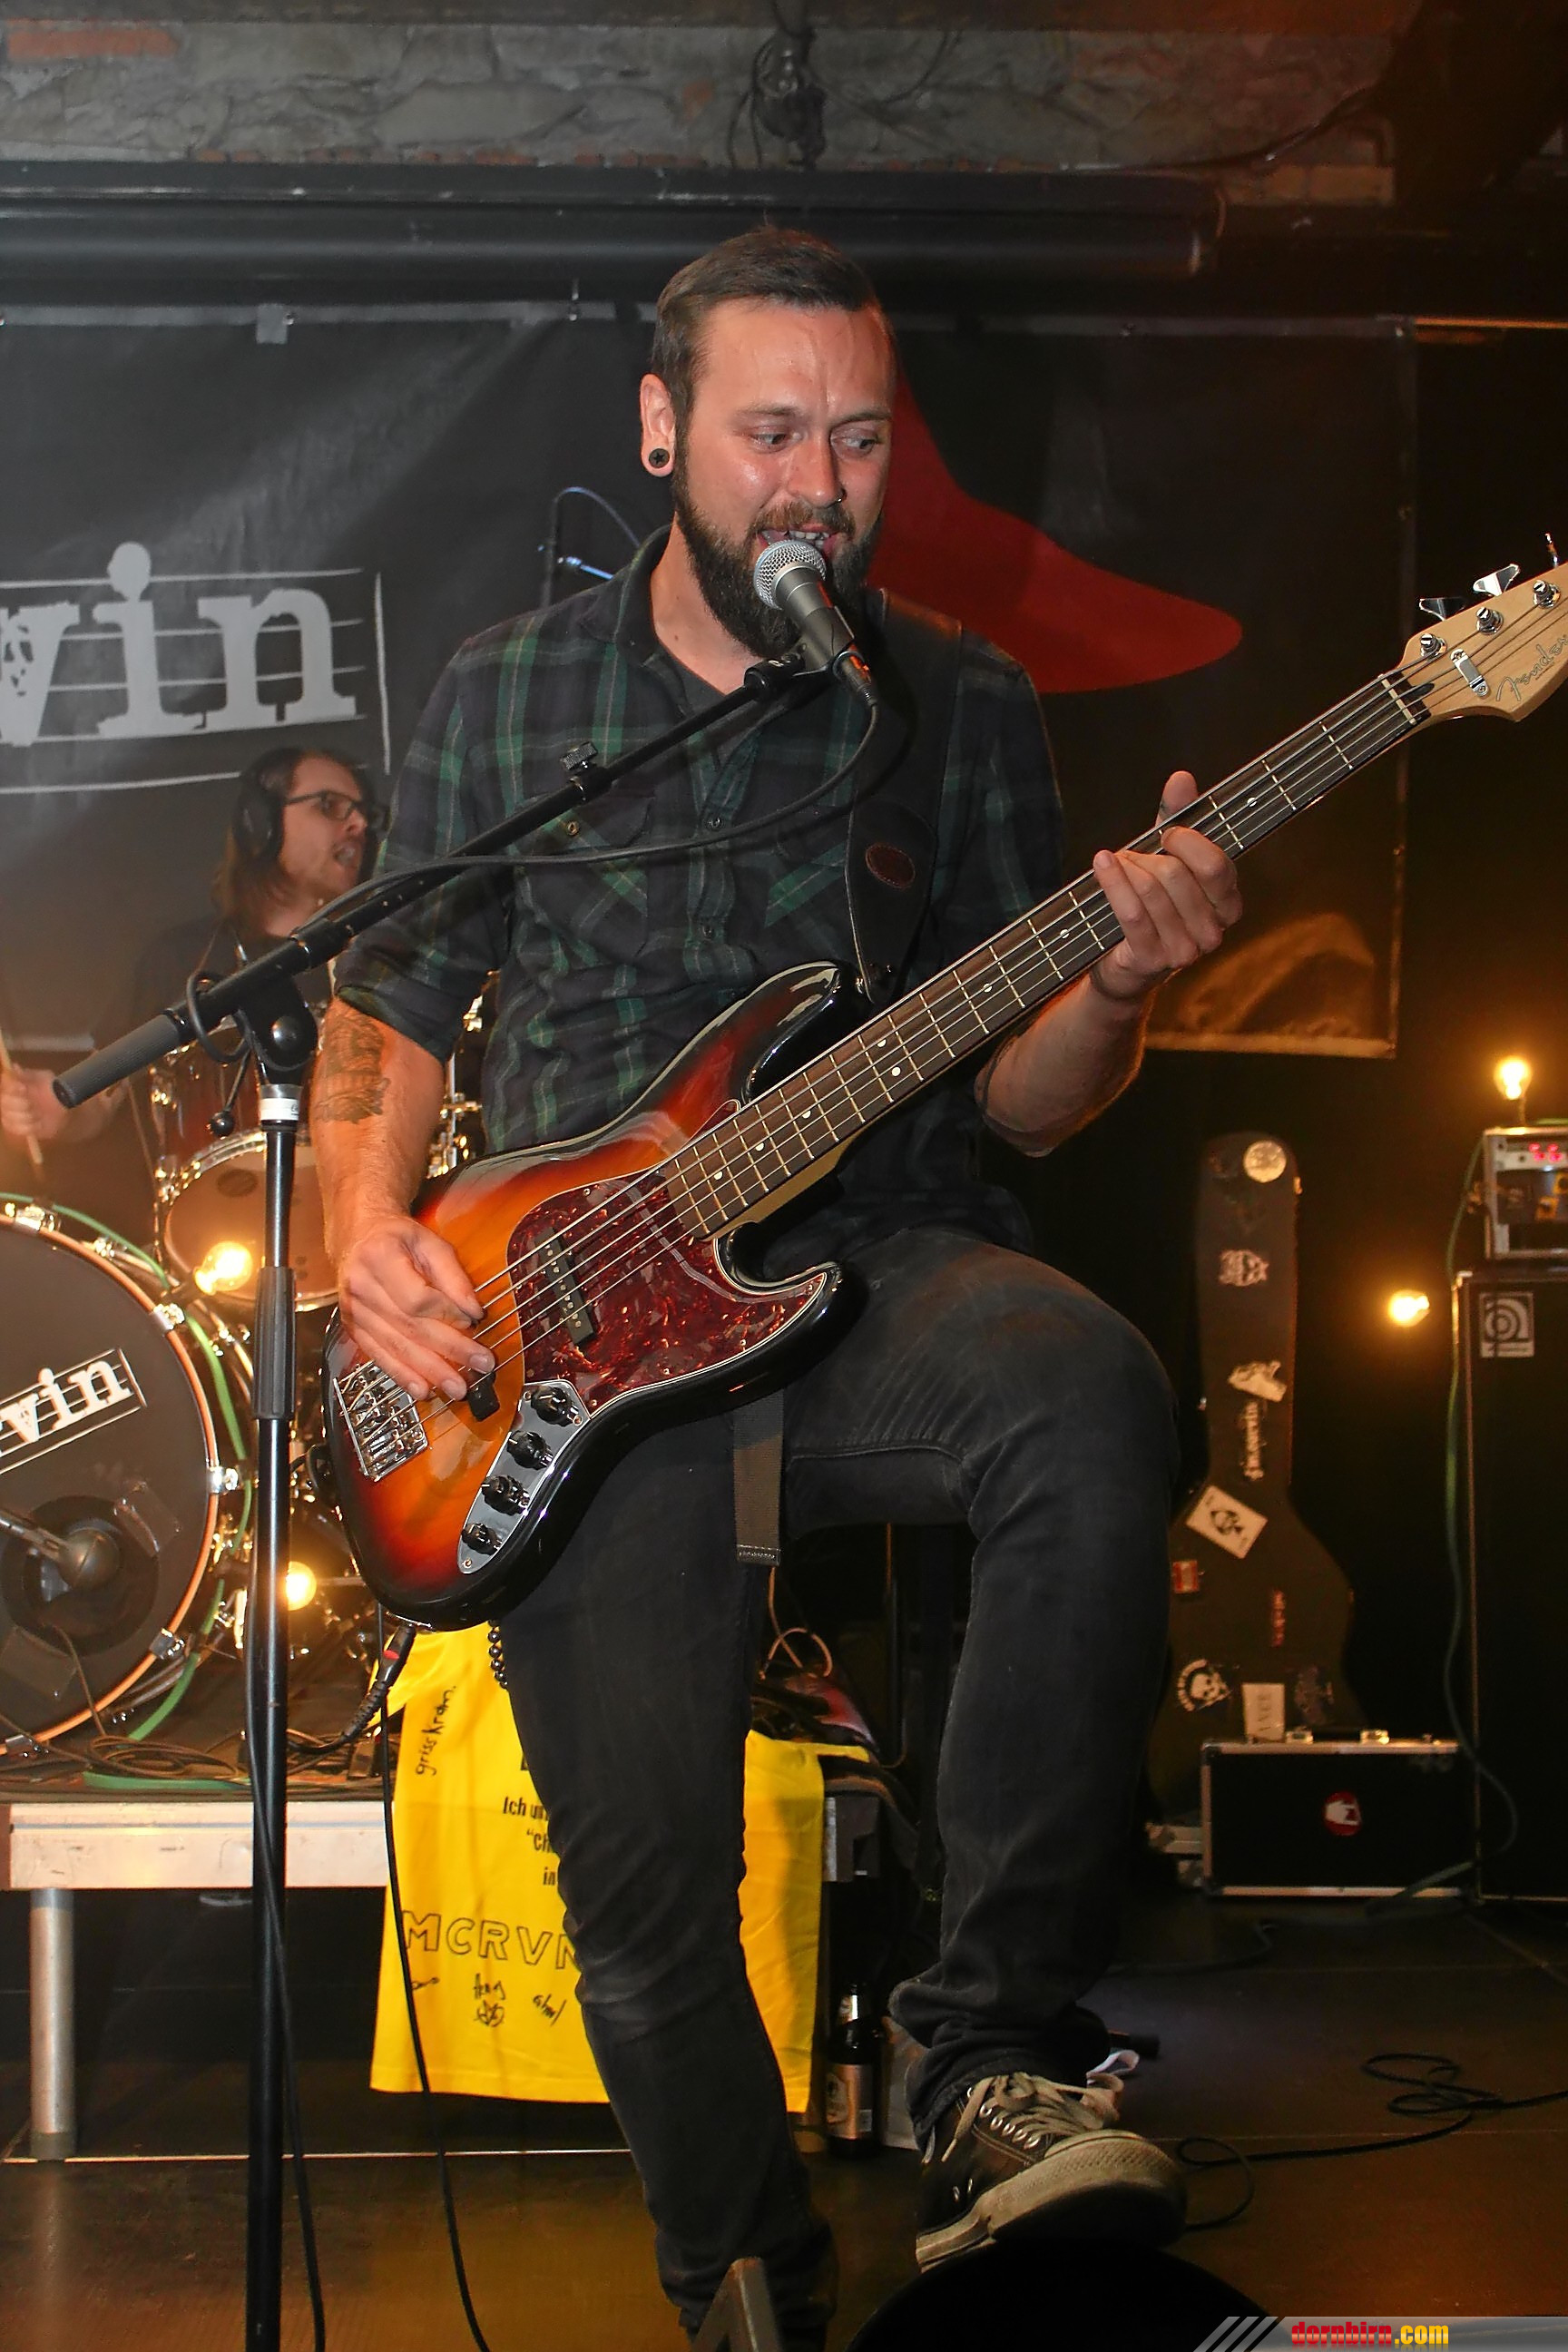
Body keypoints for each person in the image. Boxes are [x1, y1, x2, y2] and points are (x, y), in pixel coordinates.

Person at [314, 230, 1242, 2350]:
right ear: (660, 431)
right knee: (639, 1879)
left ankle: (983, 2056)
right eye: (768, 432)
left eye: (856, 437)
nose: (817, 481)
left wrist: (1114, 985)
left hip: (867, 1257)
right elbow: (389, 1012)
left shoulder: (957, 702)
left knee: (1084, 1393)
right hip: (563, 1327)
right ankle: (744, 2282)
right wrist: (368, 1233)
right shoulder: (509, 694)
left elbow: (1024, 1098)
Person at [1, 745, 377, 1172]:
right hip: (220, 1203)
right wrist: (58, 1109)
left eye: (364, 813)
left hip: (360, 1196)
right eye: (329, 806)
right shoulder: (182, 960)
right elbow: (103, 1100)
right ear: (262, 824)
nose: (360, 825)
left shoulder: (378, 959)